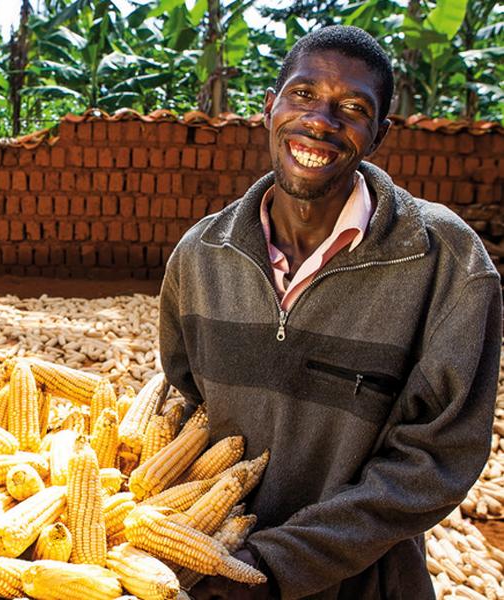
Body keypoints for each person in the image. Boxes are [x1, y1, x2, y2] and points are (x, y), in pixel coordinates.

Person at [159, 26, 502, 600]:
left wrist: (271, 568)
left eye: (352, 108)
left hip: (364, 586)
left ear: (378, 135)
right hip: (212, 574)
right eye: (303, 94)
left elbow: (435, 459)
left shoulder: (446, 262)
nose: (321, 121)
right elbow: (185, 412)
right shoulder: (200, 256)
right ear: (269, 108)